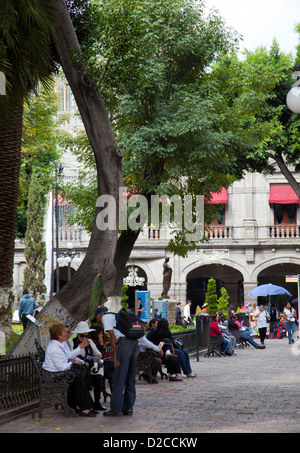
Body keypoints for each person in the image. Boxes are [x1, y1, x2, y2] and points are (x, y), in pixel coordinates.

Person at [91, 306, 140, 417]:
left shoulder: (106, 317)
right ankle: (128, 408)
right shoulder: (117, 317)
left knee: (118, 378)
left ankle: (116, 409)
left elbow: (112, 336)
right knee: (130, 379)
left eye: (97, 319)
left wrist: (115, 357)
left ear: (100, 314)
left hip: (124, 346)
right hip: (134, 345)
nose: (99, 322)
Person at [42, 323, 97, 417]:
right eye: (64, 332)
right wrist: (73, 364)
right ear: (59, 335)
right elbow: (61, 367)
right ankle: (85, 408)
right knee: (78, 380)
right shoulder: (54, 348)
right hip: (55, 376)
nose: (67, 334)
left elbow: (68, 356)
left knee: (81, 378)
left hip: (59, 373)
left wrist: (80, 347)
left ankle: (86, 407)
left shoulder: (60, 345)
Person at [70, 321, 106, 411]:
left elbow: (97, 353)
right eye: (82, 336)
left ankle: (97, 402)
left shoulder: (89, 342)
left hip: (90, 366)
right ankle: (88, 404)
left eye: (86, 335)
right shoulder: (72, 342)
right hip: (79, 368)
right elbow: (71, 356)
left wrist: (98, 356)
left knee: (98, 376)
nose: (84, 338)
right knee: (84, 381)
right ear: (77, 334)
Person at [88, 324, 115, 393]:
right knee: (115, 364)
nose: (102, 336)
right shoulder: (91, 342)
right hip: (95, 366)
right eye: (100, 334)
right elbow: (101, 355)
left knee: (112, 374)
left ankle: (115, 395)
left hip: (102, 365)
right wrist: (101, 344)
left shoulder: (96, 341)